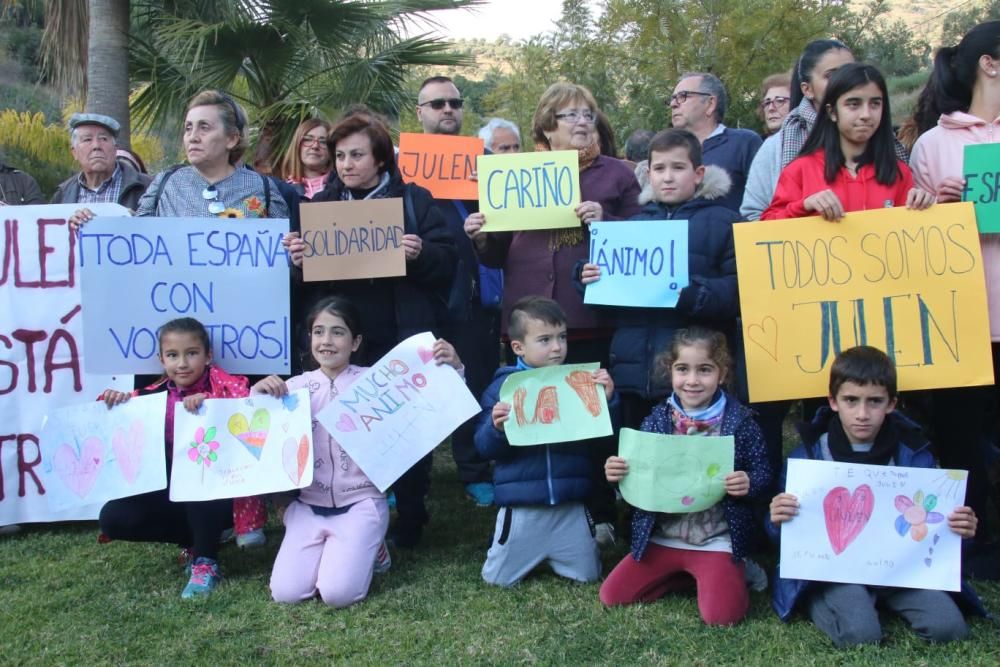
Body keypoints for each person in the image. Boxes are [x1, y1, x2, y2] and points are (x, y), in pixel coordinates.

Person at [465, 81, 641, 546]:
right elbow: (494, 255)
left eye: (588, 113)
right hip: (526, 315)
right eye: (570, 115)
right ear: (546, 126)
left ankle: (601, 511)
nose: (583, 121)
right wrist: (480, 234)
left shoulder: (617, 176)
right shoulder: (515, 174)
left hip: (589, 317)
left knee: (593, 414)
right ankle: (527, 507)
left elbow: (645, 237)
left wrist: (608, 221)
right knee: (533, 415)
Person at [286, 109, 457, 547]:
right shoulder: (319, 207)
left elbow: (449, 263)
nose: (345, 164)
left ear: (380, 159)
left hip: (399, 336)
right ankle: (357, 508)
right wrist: (298, 263)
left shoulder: (416, 202)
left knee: (405, 429)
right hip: (344, 341)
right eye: (340, 155)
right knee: (349, 428)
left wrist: (420, 254)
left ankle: (411, 514)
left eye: (356, 155)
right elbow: (301, 284)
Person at [253, 296, 464, 606]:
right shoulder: (293, 389)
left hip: (361, 502)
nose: (326, 341)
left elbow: (433, 395)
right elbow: (257, 432)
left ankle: (372, 545)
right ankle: (340, 548)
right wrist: (257, 395)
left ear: (355, 342)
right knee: (287, 594)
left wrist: (455, 366)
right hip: (309, 506)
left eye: (338, 332)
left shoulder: (376, 381)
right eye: (318, 332)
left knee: (339, 595)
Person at [768, 346, 985, 647]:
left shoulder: (915, 455)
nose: (862, 414)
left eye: (874, 402)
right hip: (836, 571)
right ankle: (815, 599)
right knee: (861, 635)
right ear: (833, 401)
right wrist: (777, 519)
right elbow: (784, 537)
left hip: (901, 569)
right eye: (851, 401)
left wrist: (962, 530)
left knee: (949, 629)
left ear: (891, 404)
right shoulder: (809, 456)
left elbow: (937, 531)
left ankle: (875, 600)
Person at [908, 20, 1000, 577]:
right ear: (990, 63)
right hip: (962, 324)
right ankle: (974, 545)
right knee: (963, 442)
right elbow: (916, 245)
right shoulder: (932, 144)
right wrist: (938, 209)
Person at [601, 327, 771, 625]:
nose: (692, 380)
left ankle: (734, 569)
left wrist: (748, 482)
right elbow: (639, 472)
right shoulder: (656, 419)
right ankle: (688, 577)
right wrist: (618, 473)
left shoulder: (742, 422)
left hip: (716, 538)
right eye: (683, 369)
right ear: (671, 371)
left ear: (722, 373)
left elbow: (763, 473)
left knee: (721, 617)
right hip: (664, 537)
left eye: (704, 370)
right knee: (612, 596)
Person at [579, 129, 739, 429]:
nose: (668, 177)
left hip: (692, 379)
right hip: (633, 375)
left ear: (698, 173)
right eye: (659, 169)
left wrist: (691, 293)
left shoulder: (724, 222)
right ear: (647, 173)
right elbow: (611, 307)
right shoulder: (632, 227)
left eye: (678, 168)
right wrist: (587, 280)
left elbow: (738, 293)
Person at [97, 317, 250, 598]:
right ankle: (194, 540)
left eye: (191, 353)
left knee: (194, 471)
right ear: (161, 359)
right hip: (172, 492)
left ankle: (206, 562)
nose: (182, 363)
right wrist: (113, 400)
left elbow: (248, 414)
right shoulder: (151, 396)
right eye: (172, 355)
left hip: (222, 492)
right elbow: (110, 424)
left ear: (208, 356)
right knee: (113, 518)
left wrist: (211, 407)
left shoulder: (226, 390)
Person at [474, 296, 617, 587]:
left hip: (570, 503)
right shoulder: (502, 389)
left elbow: (604, 433)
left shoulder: (579, 381)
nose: (557, 347)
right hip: (524, 506)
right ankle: (515, 543)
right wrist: (496, 428)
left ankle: (559, 550)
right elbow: (484, 447)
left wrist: (609, 400)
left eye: (562, 337)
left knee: (589, 575)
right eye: (545, 339)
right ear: (518, 347)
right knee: (496, 580)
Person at [415, 76, 500, 508]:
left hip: (472, 292)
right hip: (421, 290)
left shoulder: (482, 161)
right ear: (420, 113)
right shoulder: (402, 165)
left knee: (474, 379)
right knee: (416, 386)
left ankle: (473, 469)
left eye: (454, 103)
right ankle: (409, 476)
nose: (447, 110)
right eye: (437, 104)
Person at [762, 63, 934, 221]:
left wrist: (923, 206)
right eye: (853, 104)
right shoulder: (800, 170)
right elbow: (764, 230)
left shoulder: (899, 173)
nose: (866, 114)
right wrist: (804, 206)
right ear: (832, 112)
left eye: (875, 104)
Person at [741, 39, 856, 221]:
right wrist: (801, 208)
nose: (845, 82)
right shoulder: (776, 147)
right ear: (807, 89)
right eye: (831, 75)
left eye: (851, 73)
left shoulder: (880, 138)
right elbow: (752, 217)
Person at [132, 91, 290, 219]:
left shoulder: (262, 188)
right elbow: (140, 243)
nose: (193, 137)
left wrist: (293, 251)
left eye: (204, 127)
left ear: (232, 139)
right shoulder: (165, 184)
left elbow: (281, 248)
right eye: (188, 128)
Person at [668, 72, 762, 212]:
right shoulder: (667, 150)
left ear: (710, 103)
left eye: (683, 96)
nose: (673, 104)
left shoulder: (744, 143)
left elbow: (764, 201)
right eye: (673, 98)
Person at [52, 113, 151, 209]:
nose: (96, 146)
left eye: (103, 139)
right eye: (87, 139)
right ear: (74, 153)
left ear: (115, 149)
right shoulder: (63, 194)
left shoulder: (149, 188)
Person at [280, 119, 332, 200]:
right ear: (297, 146)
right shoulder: (282, 191)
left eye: (323, 141)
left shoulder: (344, 190)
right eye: (308, 139)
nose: (315, 146)